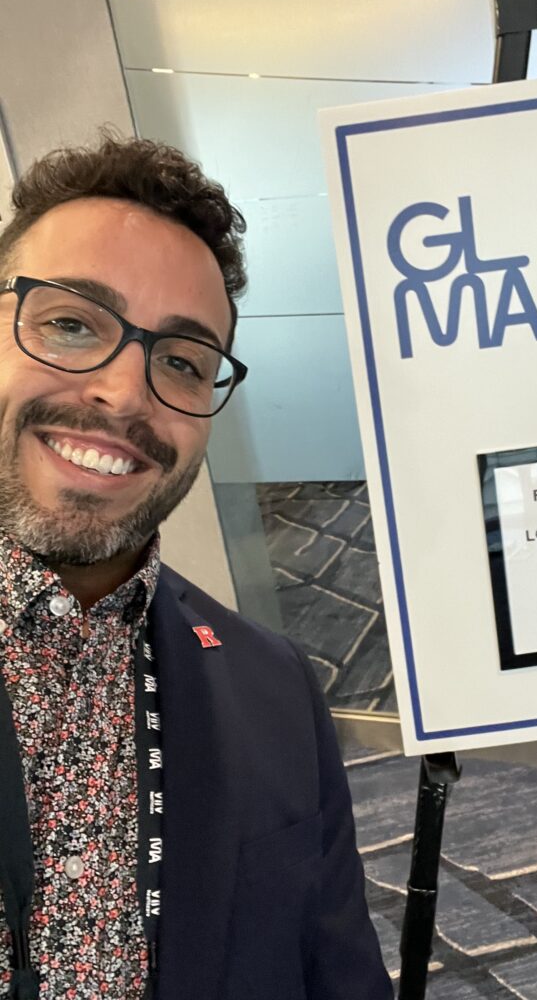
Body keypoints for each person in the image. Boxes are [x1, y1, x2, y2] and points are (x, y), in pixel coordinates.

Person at [0, 134, 392, 999]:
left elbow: (339, 976)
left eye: (182, 360)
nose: (125, 394)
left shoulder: (276, 690)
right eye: (71, 323)